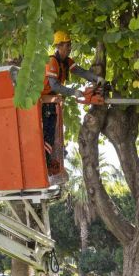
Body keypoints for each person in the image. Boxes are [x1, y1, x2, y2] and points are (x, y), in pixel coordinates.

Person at [41, 31, 104, 174]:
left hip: (52, 101)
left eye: (70, 44)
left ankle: (50, 160)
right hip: (44, 101)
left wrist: (96, 79)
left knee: (54, 132)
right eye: (67, 44)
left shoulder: (66, 61)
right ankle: (45, 163)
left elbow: (80, 71)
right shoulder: (52, 61)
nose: (70, 47)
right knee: (48, 132)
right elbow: (54, 86)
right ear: (59, 46)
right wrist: (73, 92)